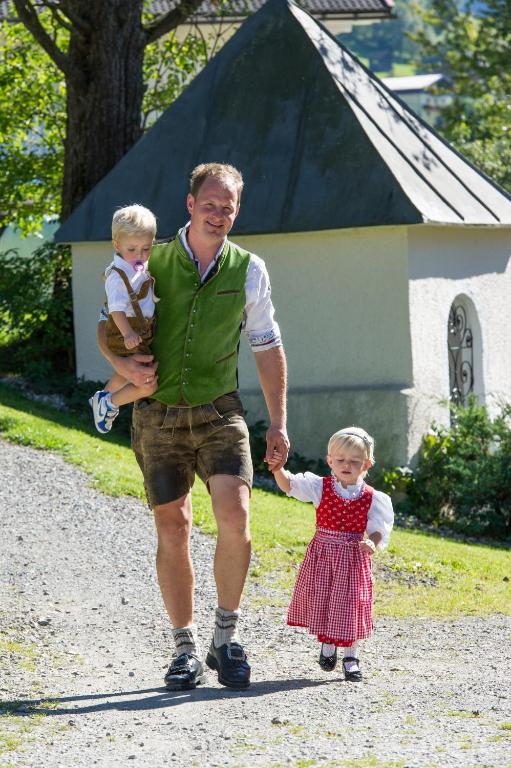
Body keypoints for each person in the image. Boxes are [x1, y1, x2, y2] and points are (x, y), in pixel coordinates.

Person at [97, 163, 289, 691]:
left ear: (237, 211)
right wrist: (124, 368)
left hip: (219, 411)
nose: (219, 214)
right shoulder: (147, 257)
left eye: (228, 207)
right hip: (157, 413)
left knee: (237, 514)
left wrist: (278, 422)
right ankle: (183, 646)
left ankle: (224, 639)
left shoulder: (249, 268)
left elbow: (267, 345)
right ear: (189, 204)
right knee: (173, 526)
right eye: (210, 203)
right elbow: (104, 325)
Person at [268, 427, 393, 682]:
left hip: (353, 559)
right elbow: (290, 485)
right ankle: (327, 644)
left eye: (355, 461)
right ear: (330, 461)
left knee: (351, 606)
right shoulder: (320, 487)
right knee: (325, 600)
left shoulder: (372, 498)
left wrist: (373, 542)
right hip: (323, 557)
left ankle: (351, 656)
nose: (347, 465)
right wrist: (277, 469)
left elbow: (380, 528)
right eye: (340, 460)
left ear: (366, 464)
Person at [90, 204, 158, 433]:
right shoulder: (118, 277)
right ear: (116, 245)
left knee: (125, 372)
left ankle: (102, 398)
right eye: (132, 249)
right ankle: (110, 403)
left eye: (146, 249)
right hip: (123, 331)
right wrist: (128, 333)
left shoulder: (136, 265)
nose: (140, 256)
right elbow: (116, 310)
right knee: (146, 383)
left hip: (137, 329)